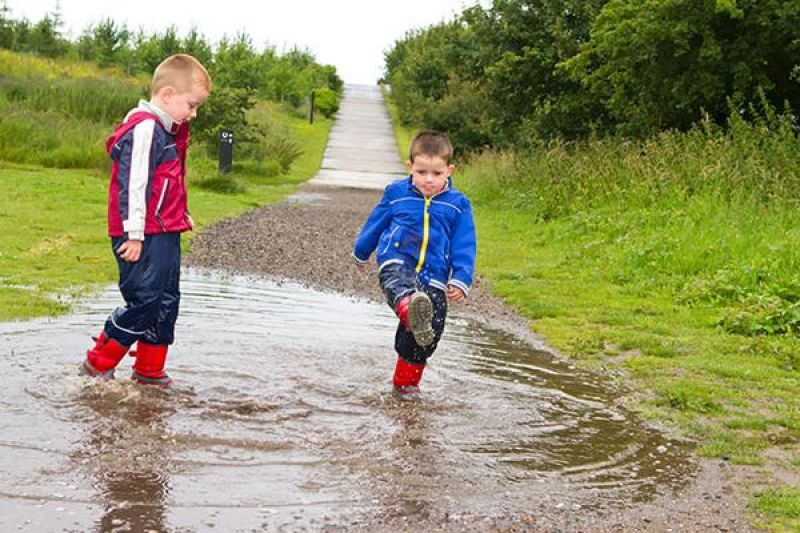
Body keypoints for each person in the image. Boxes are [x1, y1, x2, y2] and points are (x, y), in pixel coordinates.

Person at [80, 54, 211, 386]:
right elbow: (133, 184)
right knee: (144, 299)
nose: (193, 113)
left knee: (167, 298)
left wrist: (181, 214)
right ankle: (97, 365)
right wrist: (133, 235)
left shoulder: (168, 130)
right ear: (167, 95)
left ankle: (149, 371)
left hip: (166, 228)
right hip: (140, 233)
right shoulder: (145, 128)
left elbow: (169, 180)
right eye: (191, 105)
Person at [353, 130, 477, 397]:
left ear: (449, 170)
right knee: (401, 287)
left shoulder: (458, 205)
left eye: (436, 173)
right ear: (410, 167)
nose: (428, 180)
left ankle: (405, 387)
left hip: (434, 274)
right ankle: (409, 309)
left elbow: (464, 243)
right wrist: (361, 252)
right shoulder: (397, 193)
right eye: (421, 172)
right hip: (397, 259)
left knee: (429, 331)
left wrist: (461, 278)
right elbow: (376, 223)